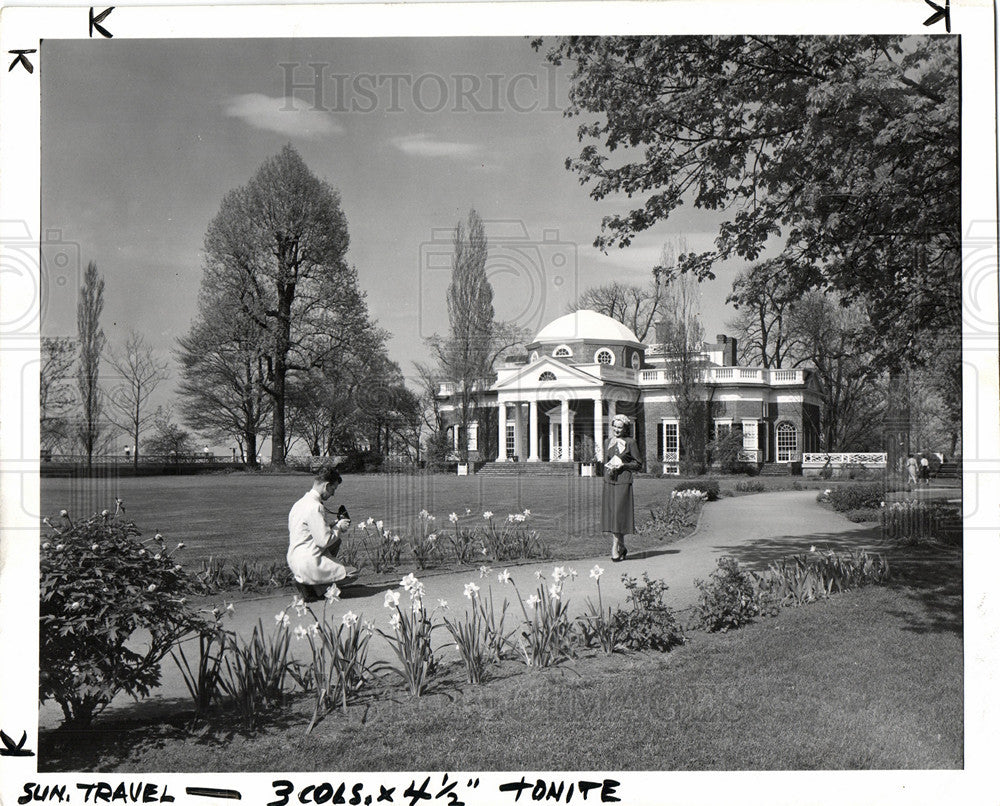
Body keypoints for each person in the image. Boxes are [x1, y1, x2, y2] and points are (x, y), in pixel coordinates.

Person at [287, 466, 357, 601]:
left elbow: (307, 533)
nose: (333, 494)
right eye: (333, 489)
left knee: (337, 541)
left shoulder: (299, 503)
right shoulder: (316, 506)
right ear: (326, 486)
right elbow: (324, 541)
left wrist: (334, 525)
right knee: (353, 573)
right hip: (307, 563)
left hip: (294, 559)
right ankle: (312, 585)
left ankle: (310, 585)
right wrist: (339, 527)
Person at [601, 413, 644, 562]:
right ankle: (623, 547)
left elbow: (638, 464)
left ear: (625, 428)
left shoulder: (631, 442)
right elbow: (605, 460)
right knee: (612, 515)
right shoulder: (607, 442)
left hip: (623, 482)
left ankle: (614, 547)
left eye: (620, 427)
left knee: (619, 514)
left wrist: (623, 465)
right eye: (615, 426)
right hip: (609, 481)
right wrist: (608, 468)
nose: (617, 430)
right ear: (612, 426)